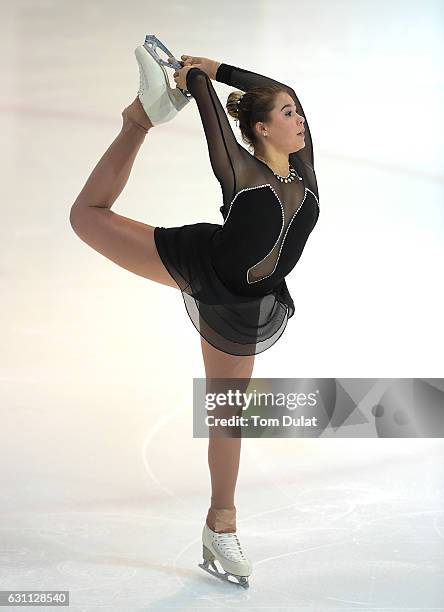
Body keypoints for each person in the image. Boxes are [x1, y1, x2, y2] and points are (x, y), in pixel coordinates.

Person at [69, 43, 319, 588]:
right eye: (287, 114)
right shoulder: (241, 172)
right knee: (85, 217)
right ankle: (139, 119)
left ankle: (219, 525)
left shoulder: (303, 170)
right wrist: (194, 81)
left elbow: (282, 89)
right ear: (260, 128)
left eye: (297, 113)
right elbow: (212, 119)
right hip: (200, 262)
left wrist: (215, 67)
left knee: (227, 413)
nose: (299, 118)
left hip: (248, 303)